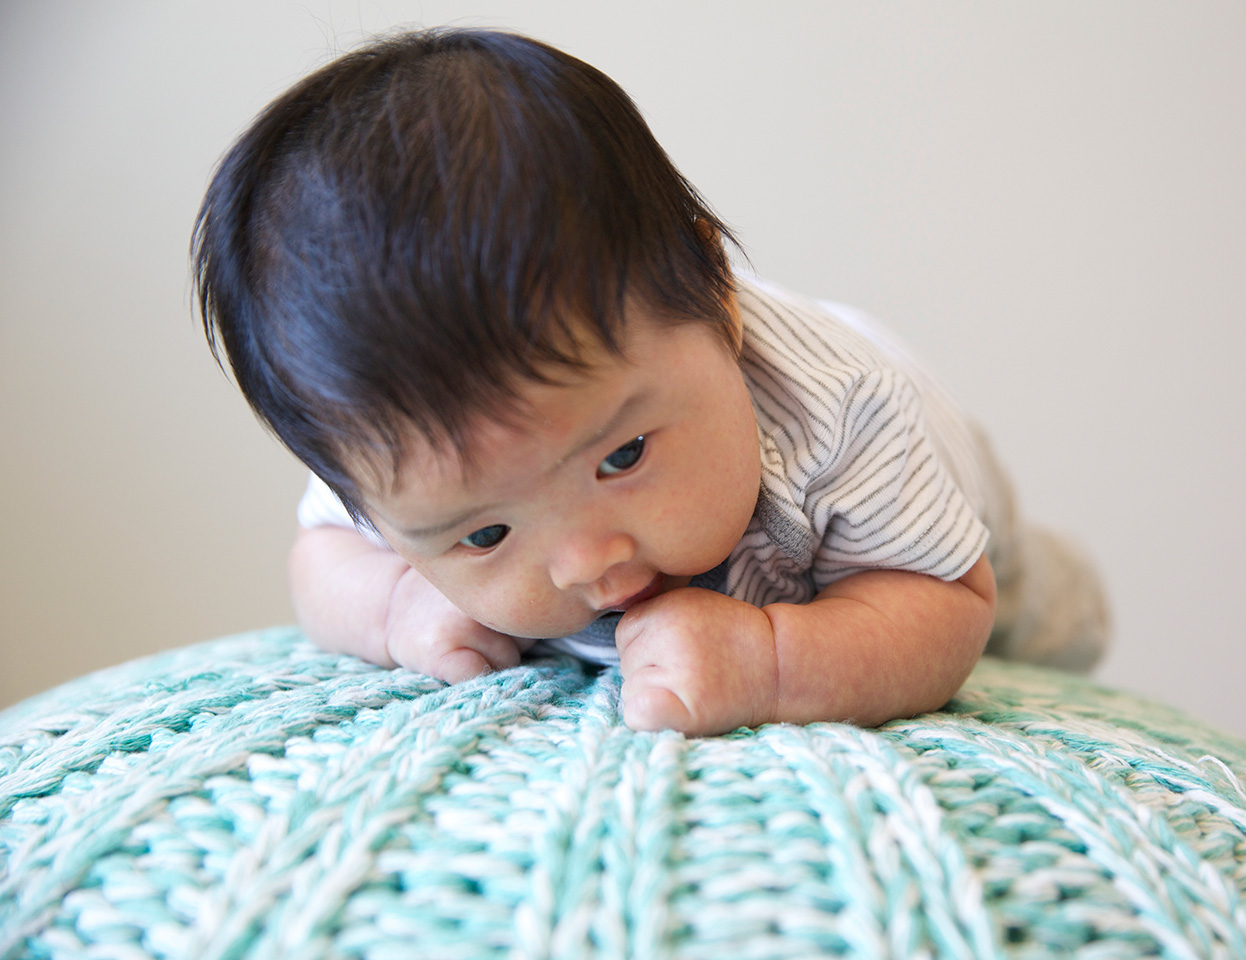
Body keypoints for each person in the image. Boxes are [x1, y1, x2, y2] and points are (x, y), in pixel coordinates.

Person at [193, 27, 1107, 737]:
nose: (585, 561)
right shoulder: (402, 457)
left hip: (920, 505)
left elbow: (942, 604)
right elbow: (320, 561)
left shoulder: (844, 416)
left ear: (720, 299)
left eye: (623, 455)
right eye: (484, 533)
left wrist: (772, 659)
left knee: (1032, 618)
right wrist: (397, 606)